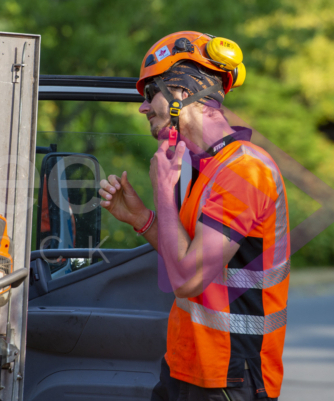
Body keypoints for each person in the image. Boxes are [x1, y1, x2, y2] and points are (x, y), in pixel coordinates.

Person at [99, 31, 290, 401]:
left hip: (231, 378)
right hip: (186, 368)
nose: (143, 108)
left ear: (181, 94)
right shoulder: (206, 169)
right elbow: (185, 259)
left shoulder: (245, 171)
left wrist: (162, 190)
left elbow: (188, 279)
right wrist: (143, 219)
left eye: (149, 93)